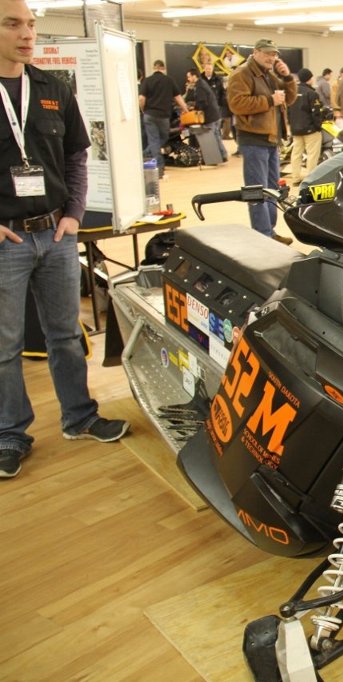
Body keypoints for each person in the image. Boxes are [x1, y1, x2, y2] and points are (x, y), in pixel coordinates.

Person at [1, 0, 129, 479]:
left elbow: (77, 156)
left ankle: (80, 416)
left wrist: (74, 214)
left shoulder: (52, 88)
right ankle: (10, 433)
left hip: (55, 235)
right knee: (4, 347)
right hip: (5, 242)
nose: (26, 34)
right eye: (13, 24)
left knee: (66, 336)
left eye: (31, 24)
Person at [227, 38, 297, 244]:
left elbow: (289, 100)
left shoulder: (270, 75)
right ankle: (263, 235)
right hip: (253, 139)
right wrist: (269, 101)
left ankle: (270, 232)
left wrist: (288, 78)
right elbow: (237, 104)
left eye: (274, 54)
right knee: (257, 191)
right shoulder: (241, 74)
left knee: (272, 189)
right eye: (267, 53)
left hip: (271, 139)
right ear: (256, 52)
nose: (271, 58)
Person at [139, 59, 189, 179]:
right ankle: (159, 168)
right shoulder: (169, 80)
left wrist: (143, 110)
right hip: (163, 116)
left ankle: (145, 154)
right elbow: (178, 97)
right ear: (163, 68)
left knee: (154, 140)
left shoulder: (147, 81)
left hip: (149, 115)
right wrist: (186, 109)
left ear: (154, 68)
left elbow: (141, 98)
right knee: (163, 138)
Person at [286, 68, 323, 185]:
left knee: (296, 154)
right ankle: (311, 179)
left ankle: (295, 178)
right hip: (310, 129)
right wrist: (318, 127)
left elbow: (288, 111)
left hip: (296, 129)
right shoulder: (312, 93)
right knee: (312, 155)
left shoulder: (292, 92)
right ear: (309, 79)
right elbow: (316, 112)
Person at [185, 67, 226, 163]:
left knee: (210, 138)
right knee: (216, 136)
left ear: (194, 76)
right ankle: (223, 155)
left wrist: (194, 109)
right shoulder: (202, 83)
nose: (188, 79)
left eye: (189, 77)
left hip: (210, 116)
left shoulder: (200, 86)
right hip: (215, 114)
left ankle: (214, 159)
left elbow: (202, 102)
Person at [200, 62, 230, 143]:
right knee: (205, 128)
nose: (208, 70)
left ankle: (217, 145)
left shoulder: (218, 79)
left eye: (210, 69)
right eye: (207, 68)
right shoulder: (200, 79)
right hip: (203, 108)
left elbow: (222, 93)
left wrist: (221, 104)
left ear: (212, 69)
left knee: (216, 128)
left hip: (216, 107)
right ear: (204, 69)